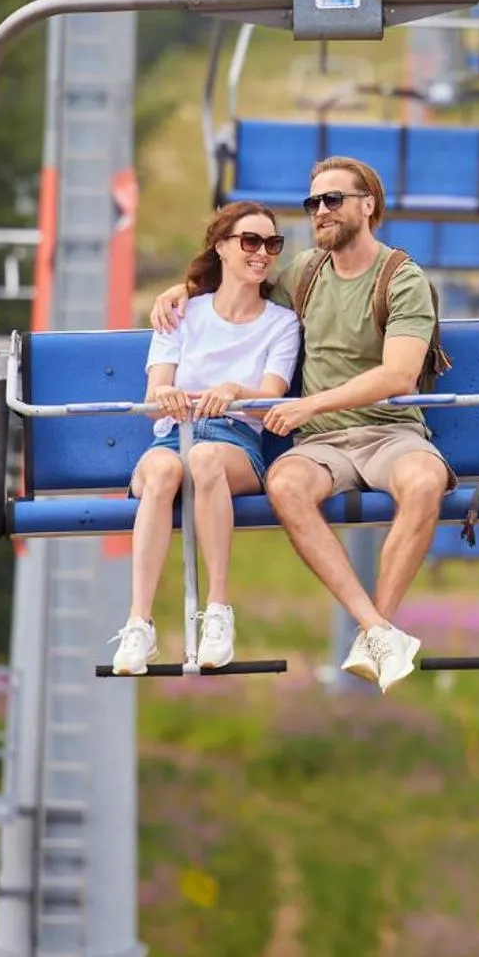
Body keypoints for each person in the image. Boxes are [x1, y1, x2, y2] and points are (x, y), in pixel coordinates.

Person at [150, 156, 454, 694]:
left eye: (333, 200)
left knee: (425, 482)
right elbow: (240, 284)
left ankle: (374, 629)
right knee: (286, 484)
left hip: (390, 431)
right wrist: (184, 290)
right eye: (313, 203)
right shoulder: (305, 275)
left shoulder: (400, 279)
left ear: (368, 205)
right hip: (322, 445)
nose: (320, 212)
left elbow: (400, 374)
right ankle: (380, 630)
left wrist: (311, 405)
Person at [110, 202, 301, 675]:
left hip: (234, 440)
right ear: (222, 248)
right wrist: (169, 395)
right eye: (250, 242)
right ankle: (139, 621)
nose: (262, 254)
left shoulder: (281, 324)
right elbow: (154, 394)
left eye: (271, 244)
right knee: (162, 470)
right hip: (174, 435)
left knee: (206, 459)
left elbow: (270, 398)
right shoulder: (181, 314)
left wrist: (236, 392)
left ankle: (217, 609)